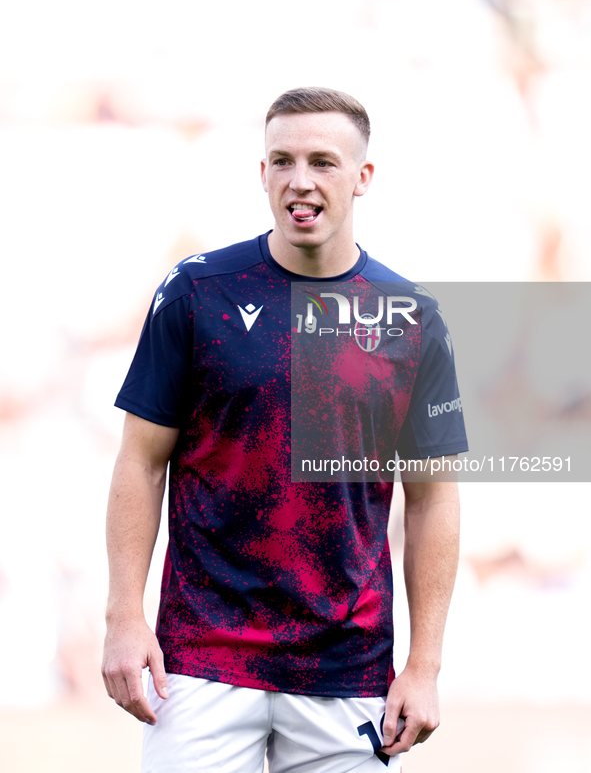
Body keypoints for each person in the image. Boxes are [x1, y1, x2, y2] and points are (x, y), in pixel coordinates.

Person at [101, 87, 468, 773]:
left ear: (362, 178)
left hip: (347, 667)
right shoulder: (195, 293)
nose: (300, 180)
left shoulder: (410, 319)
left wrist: (423, 664)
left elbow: (434, 497)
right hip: (204, 660)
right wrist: (122, 615)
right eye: (282, 160)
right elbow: (140, 461)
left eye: (322, 161)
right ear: (261, 171)